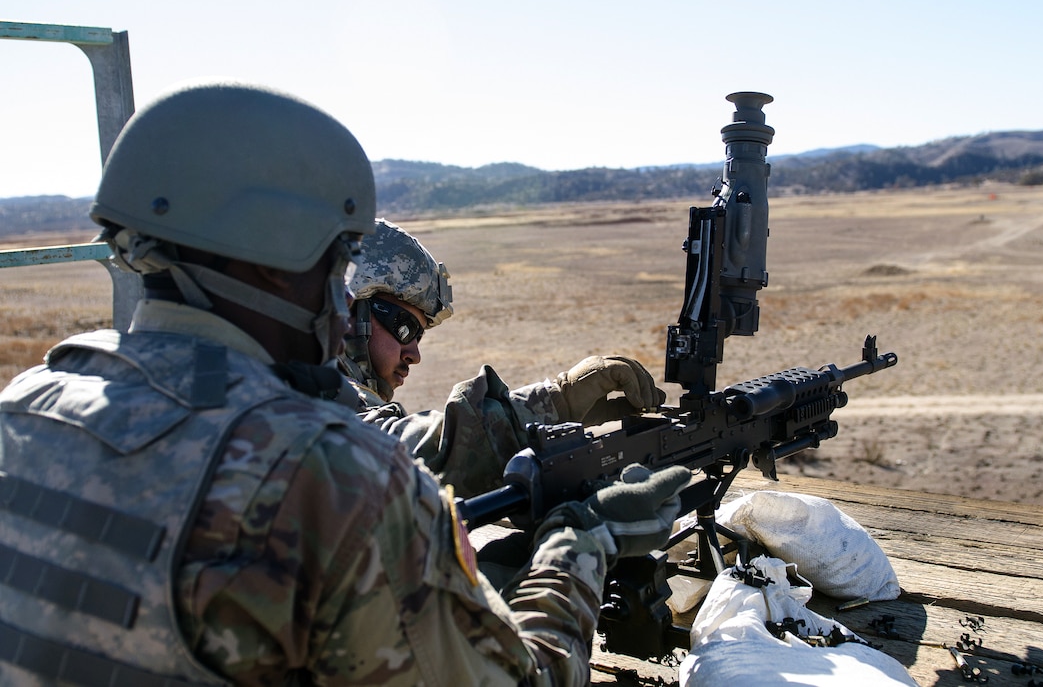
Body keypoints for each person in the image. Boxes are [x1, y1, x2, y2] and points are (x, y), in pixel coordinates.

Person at [0, 79, 690, 686]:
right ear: (276, 258)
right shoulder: (332, 481)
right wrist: (578, 546)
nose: (338, 297)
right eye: (336, 264)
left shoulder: (26, 406)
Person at [340, 218, 668, 498]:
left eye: (419, 335)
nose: (414, 354)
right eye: (404, 328)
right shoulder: (310, 393)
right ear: (348, 311)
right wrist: (558, 400)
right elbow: (401, 456)